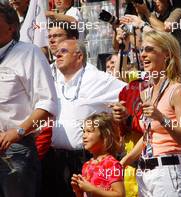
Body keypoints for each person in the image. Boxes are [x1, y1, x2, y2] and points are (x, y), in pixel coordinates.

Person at [41, 39, 126, 197]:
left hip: (85, 158)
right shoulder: (50, 77)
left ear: (79, 57)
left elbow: (129, 93)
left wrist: (123, 111)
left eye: (64, 51)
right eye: (57, 51)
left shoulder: (98, 79)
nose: (57, 54)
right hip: (55, 158)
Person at [121, 30, 181, 197]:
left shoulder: (177, 90)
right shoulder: (147, 92)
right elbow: (149, 135)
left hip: (168, 171)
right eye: (141, 50)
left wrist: (161, 117)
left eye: (149, 50)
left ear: (167, 54)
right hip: (145, 173)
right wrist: (124, 161)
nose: (143, 55)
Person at [0, 2, 57, 197]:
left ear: (11, 27)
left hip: (15, 149)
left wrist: (18, 131)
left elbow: (47, 105)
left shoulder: (28, 53)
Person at [71, 112, 125, 197]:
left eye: (89, 131)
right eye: (83, 131)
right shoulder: (87, 165)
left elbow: (120, 194)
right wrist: (79, 191)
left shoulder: (112, 164)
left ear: (104, 135)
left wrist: (92, 189)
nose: (84, 136)